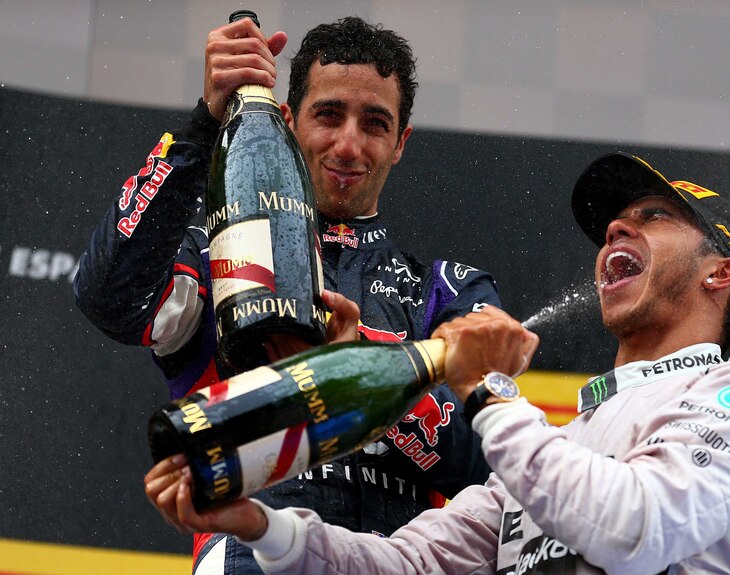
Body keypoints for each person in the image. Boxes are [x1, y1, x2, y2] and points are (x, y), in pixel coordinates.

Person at [146, 152, 730, 574]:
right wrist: (260, 524)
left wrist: (485, 390)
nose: (615, 230)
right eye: (614, 222)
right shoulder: (557, 445)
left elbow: (631, 525)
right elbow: (403, 564)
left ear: (720, 271)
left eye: (655, 215)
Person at [74, 15, 500, 574]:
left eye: (374, 123)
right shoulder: (218, 257)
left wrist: (361, 367)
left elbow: (491, 467)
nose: (349, 145)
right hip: (247, 556)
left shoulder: (448, 290)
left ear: (401, 143)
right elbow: (108, 295)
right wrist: (205, 125)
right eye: (328, 115)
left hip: (400, 561)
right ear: (287, 120)